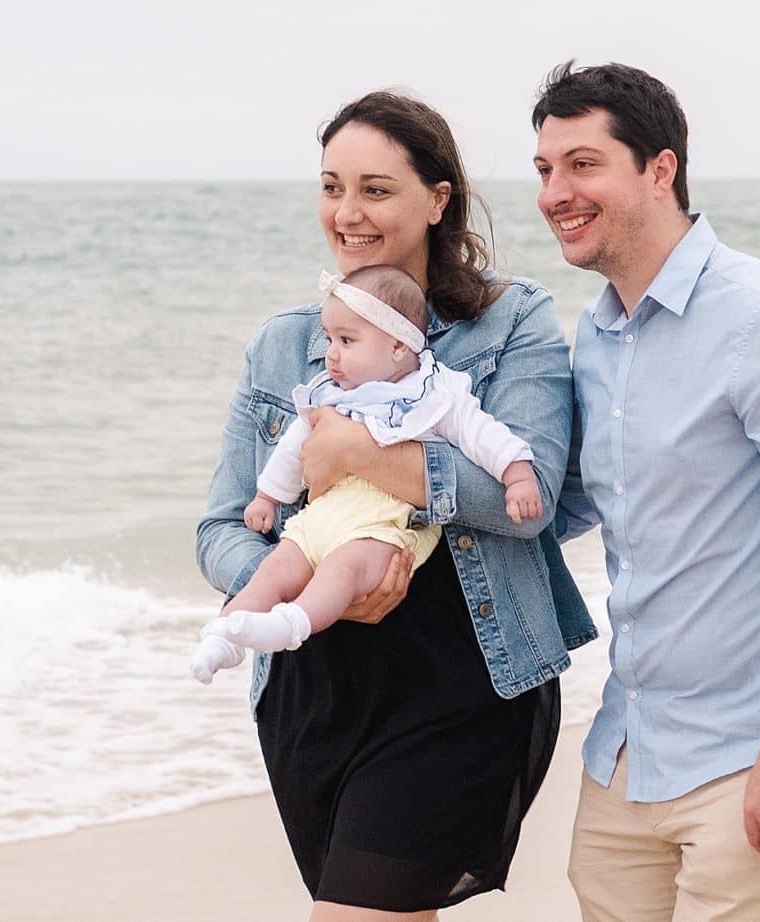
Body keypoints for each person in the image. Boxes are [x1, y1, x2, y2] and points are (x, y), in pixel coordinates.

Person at [195, 89, 594, 921]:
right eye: (332, 187)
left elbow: (533, 499)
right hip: (314, 688)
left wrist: (367, 457)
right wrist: (292, 575)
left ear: (437, 199)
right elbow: (222, 528)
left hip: (464, 682)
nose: (347, 213)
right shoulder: (284, 344)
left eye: (375, 189)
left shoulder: (510, 323)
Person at [535, 61, 760, 921]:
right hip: (632, 748)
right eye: (546, 170)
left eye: (583, 164)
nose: (557, 192)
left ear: (659, 170)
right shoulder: (598, 333)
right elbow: (588, 500)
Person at [190, 265, 543, 682]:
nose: (331, 354)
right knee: (274, 569)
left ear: (397, 346)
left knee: (342, 571)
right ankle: (224, 636)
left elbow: (481, 433)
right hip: (321, 517)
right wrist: (268, 496)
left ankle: (293, 623)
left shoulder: (431, 392)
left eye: (347, 341)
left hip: (380, 526)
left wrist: (517, 474)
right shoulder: (329, 392)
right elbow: (291, 449)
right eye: (329, 339)